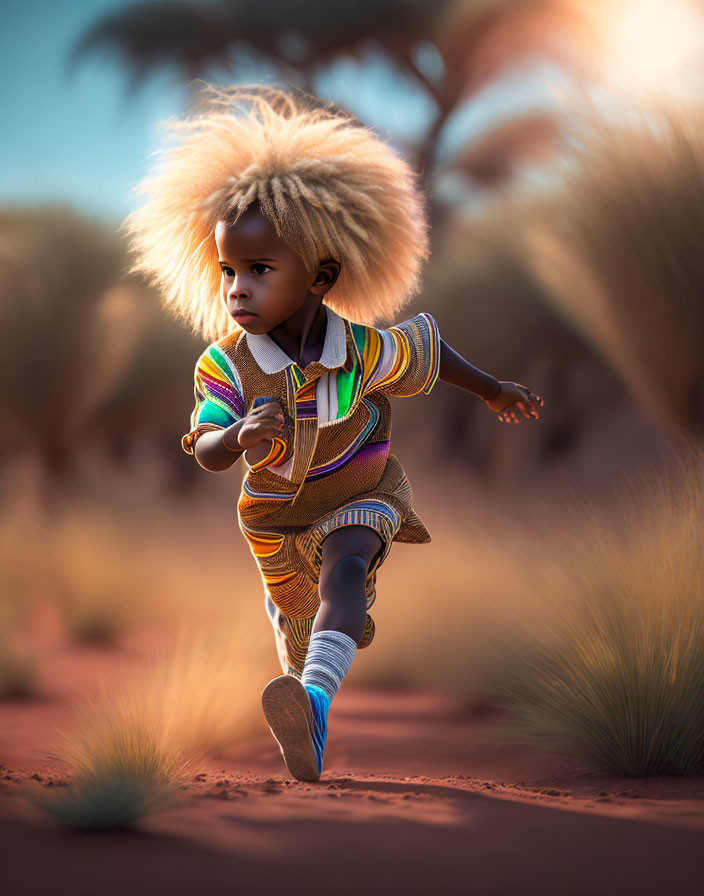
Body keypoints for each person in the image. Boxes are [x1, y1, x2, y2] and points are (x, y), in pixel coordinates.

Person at [123, 83, 544, 783]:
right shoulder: (224, 364)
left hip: (364, 493)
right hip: (275, 526)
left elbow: (429, 353)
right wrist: (237, 439)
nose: (237, 288)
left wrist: (495, 389)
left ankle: (315, 701)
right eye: (228, 270)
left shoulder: (363, 348)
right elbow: (202, 445)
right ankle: (304, 698)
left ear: (320, 275)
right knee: (297, 627)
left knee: (349, 568)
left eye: (259, 270)